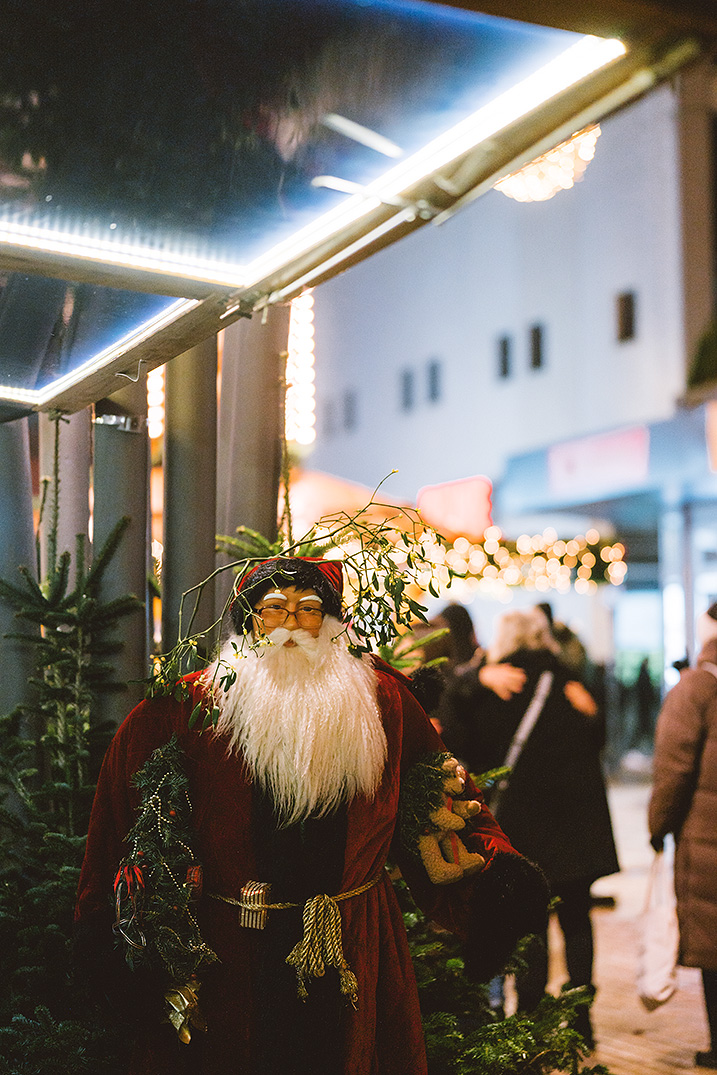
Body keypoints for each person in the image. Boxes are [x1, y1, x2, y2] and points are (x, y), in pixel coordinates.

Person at [74, 555, 548, 1075]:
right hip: (227, 951)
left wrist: (495, 877)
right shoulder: (189, 706)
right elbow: (121, 817)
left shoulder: (381, 700)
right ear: (249, 620)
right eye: (274, 610)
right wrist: (111, 932)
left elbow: (440, 794)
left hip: (353, 941)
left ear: (332, 622)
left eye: (309, 610)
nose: (293, 625)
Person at [455, 606, 619, 1046]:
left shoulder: (495, 687)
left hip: (522, 828)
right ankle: (581, 1016)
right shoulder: (570, 681)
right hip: (578, 828)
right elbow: (599, 738)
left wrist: (475, 678)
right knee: (578, 920)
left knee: (530, 923)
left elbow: (456, 737)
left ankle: (530, 1016)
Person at [648, 602, 717, 1070]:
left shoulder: (696, 688)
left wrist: (659, 827)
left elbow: (673, 769)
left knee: (715, 945)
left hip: (708, 839)